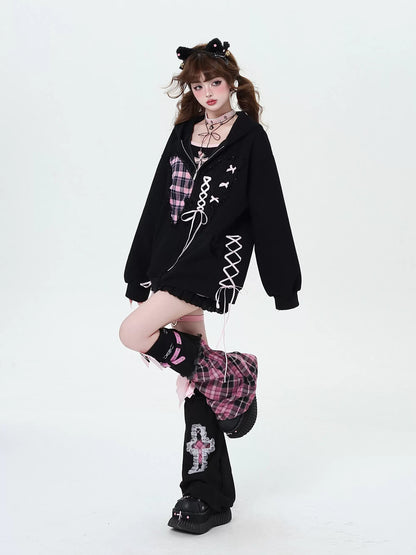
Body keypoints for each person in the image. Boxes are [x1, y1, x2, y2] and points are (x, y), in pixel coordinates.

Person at [119, 38, 302, 535]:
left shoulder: (249, 137)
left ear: (232, 82)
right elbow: (157, 202)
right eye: (198, 86)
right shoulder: (184, 133)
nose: (207, 93)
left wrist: (283, 283)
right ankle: (205, 493)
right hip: (169, 261)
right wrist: (139, 271)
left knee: (133, 333)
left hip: (215, 263)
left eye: (214, 82)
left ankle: (230, 375)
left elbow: (269, 209)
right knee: (196, 382)